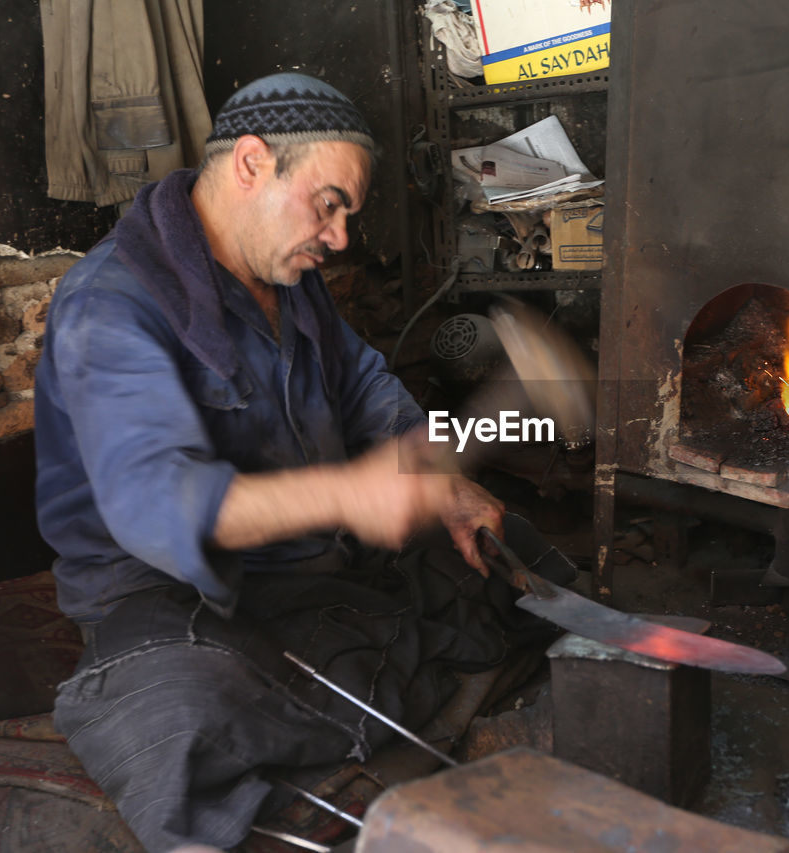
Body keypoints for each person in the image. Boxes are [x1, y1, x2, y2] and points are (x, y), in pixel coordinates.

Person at [34, 72, 573, 852]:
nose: (341, 236)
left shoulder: (286, 276)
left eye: (346, 212)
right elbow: (156, 501)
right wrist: (347, 496)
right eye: (329, 203)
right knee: (174, 713)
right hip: (171, 592)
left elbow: (360, 383)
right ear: (252, 163)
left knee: (502, 547)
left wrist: (445, 484)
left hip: (308, 562)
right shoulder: (111, 305)